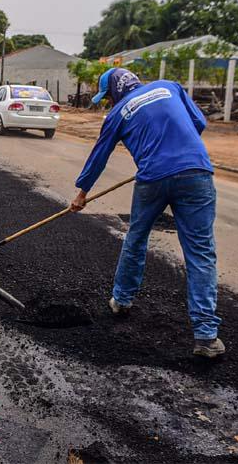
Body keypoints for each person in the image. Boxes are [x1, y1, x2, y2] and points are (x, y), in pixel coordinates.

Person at [70, 67, 224, 358]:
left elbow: (99, 156)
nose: (109, 103)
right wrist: (175, 147)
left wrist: (82, 194)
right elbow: (199, 122)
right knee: (201, 252)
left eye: (108, 97)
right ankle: (206, 336)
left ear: (115, 91)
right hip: (195, 172)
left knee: (137, 238)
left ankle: (122, 301)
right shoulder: (170, 85)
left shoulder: (117, 114)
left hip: (152, 178)